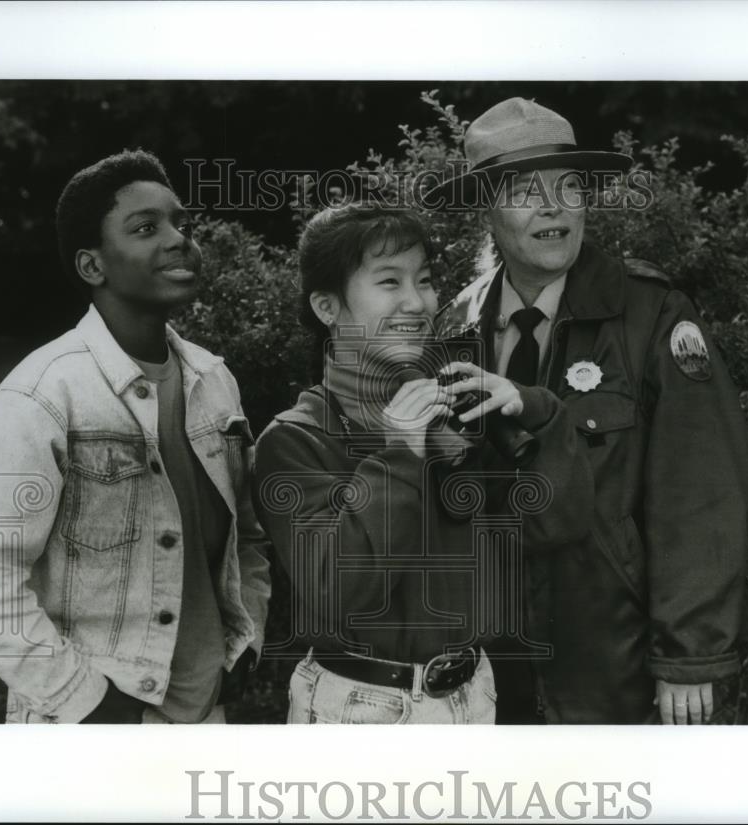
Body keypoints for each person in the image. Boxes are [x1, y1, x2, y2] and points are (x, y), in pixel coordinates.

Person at [425, 98, 748, 724]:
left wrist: (688, 656)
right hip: (492, 663)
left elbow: (703, 492)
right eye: (526, 190)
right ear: (486, 208)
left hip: (615, 657)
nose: (554, 206)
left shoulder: (653, 315)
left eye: (569, 186)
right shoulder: (455, 327)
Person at [0, 149, 271, 723]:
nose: (177, 239)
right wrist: (86, 702)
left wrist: (243, 646)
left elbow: (248, 536)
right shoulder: (43, 392)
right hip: (90, 729)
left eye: (180, 224)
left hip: (206, 714)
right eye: (146, 228)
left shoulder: (216, 382)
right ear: (93, 266)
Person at [251, 203, 591, 724]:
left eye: (426, 280)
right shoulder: (296, 438)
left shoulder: (458, 412)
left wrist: (537, 412)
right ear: (326, 306)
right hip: (361, 711)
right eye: (389, 282)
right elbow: (345, 595)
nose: (417, 302)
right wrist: (399, 455)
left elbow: (554, 528)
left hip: (474, 697)